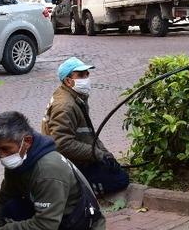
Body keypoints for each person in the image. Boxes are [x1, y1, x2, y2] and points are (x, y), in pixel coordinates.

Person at [42, 57, 129, 196]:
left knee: (117, 171)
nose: (86, 78)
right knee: (120, 180)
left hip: (74, 159)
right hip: (64, 164)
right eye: (81, 75)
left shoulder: (75, 97)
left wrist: (106, 154)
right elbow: (62, 144)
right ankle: (76, 191)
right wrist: (98, 154)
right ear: (68, 81)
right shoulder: (65, 106)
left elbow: (89, 134)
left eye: (87, 74)